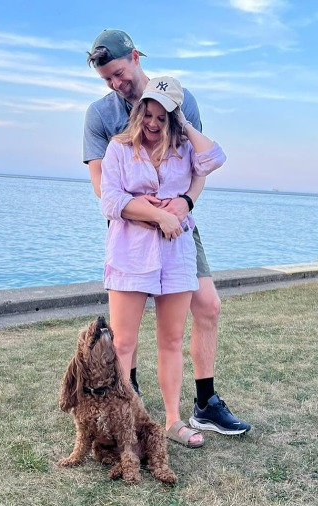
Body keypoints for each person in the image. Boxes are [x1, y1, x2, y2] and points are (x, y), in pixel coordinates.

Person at [84, 29, 251, 436]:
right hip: (131, 227)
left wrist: (184, 205)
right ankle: (127, 410)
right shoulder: (102, 116)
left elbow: (204, 165)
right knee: (125, 337)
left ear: (136, 57)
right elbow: (102, 186)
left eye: (119, 73)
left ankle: (202, 405)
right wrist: (151, 216)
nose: (115, 84)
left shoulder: (181, 100)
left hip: (178, 229)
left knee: (206, 307)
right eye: (107, 79)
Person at [101, 76, 226, 447]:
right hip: (130, 253)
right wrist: (159, 216)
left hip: (176, 256)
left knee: (171, 340)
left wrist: (185, 124)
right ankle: (122, 426)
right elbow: (110, 201)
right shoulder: (120, 148)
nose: (153, 123)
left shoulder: (185, 149)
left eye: (162, 116)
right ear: (139, 112)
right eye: (148, 113)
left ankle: (173, 421)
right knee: (123, 343)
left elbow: (215, 158)